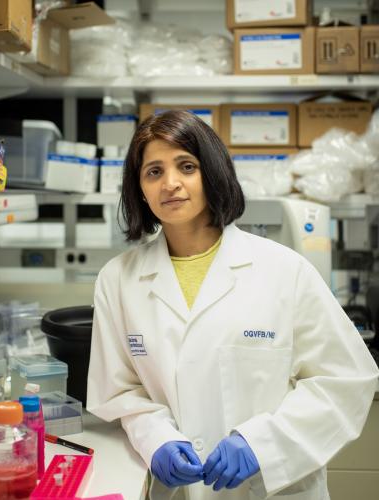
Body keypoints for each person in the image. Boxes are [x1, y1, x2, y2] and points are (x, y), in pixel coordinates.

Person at [87, 110, 379, 500]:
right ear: (139, 188)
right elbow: (120, 391)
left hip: (272, 489)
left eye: (186, 166)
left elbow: (346, 380)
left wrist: (265, 443)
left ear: (211, 173)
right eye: (153, 172)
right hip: (178, 489)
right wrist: (154, 438)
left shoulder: (284, 270)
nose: (170, 183)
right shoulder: (117, 280)